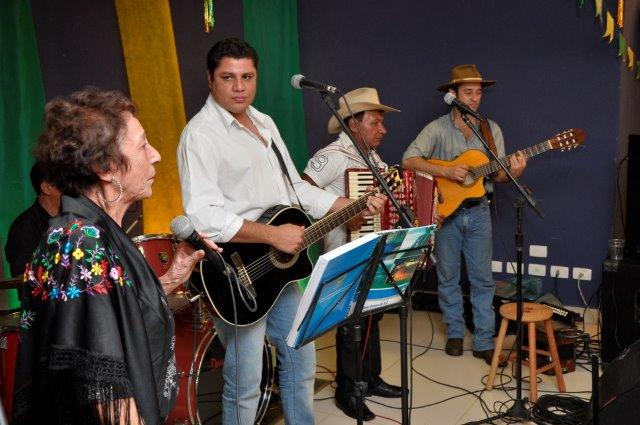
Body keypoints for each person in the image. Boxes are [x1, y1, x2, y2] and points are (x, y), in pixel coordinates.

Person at [177, 38, 387, 425]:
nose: (239, 87)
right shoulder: (200, 135)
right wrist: (273, 236)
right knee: (245, 383)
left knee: (301, 360)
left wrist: (346, 205)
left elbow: (296, 190)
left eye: (247, 77)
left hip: (280, 274)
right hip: (235, 274)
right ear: (210, 79)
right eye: (228, 77)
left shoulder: (264, 123)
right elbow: (204, 217)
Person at [12, 88, 220, 425]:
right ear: (105, 167)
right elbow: (104, 387)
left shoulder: (92, 230)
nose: (155, 155)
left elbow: (111, 315)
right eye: (142, 145)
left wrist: (170, 278)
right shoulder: (81, 241)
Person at [402, 64, 527, 365]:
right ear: (453, 94)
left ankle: (484, 340)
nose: (474, 98)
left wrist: (514, 172)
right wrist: (446, 171)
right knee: (448, 277)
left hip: (479, 210)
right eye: (468, 92)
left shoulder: (490, 130)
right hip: (446, 213)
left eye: (478, 93)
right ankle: (455, 334)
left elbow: (498, 175)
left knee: (483, 279)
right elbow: (409, 160)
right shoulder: (436, 128)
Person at [302, 87, 402, 421]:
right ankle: (348, 391)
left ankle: (370, 379)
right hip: (343, 250)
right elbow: (301, 193)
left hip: (372, 248)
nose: (383, 129)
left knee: (373, 314)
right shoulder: (333, 156)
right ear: (353, 124)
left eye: (382, 122)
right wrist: (344, 213)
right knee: (350, 323)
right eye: (375, 122)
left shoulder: (373, 159)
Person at [4, 162, 61, 278]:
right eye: (66, 183)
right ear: (46, 188)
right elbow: (24, 276)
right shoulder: (24, 227)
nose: (74, 188)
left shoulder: (72, 219)